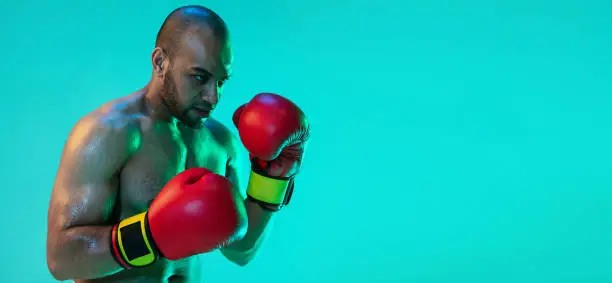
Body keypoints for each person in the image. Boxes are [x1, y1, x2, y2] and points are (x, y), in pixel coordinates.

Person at [45, 5, 310, 283]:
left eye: (221, 81)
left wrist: (273, 179)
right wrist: (149, 235)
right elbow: (61, 261)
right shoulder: (108, 134)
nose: (213, 97)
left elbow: (240, 250)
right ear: (160, 62)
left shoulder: (220, 143)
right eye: (200, 77)